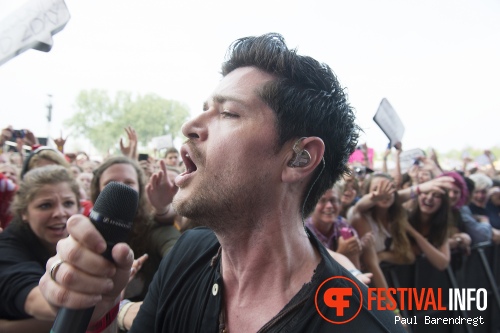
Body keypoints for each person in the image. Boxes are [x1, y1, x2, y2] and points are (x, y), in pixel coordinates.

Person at [40, 33, 403, 332]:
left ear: (299, 157)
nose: (190, 126)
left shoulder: (361, 324)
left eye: (228, 112)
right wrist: (96, 315)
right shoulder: (188, 254)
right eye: (204, 107)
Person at [0, 165, 80, 332]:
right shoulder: (7, 247)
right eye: (45, 205)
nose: (60, 213)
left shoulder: (84, 241)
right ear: (24, 212)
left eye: (68, 203)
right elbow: (35, 301)